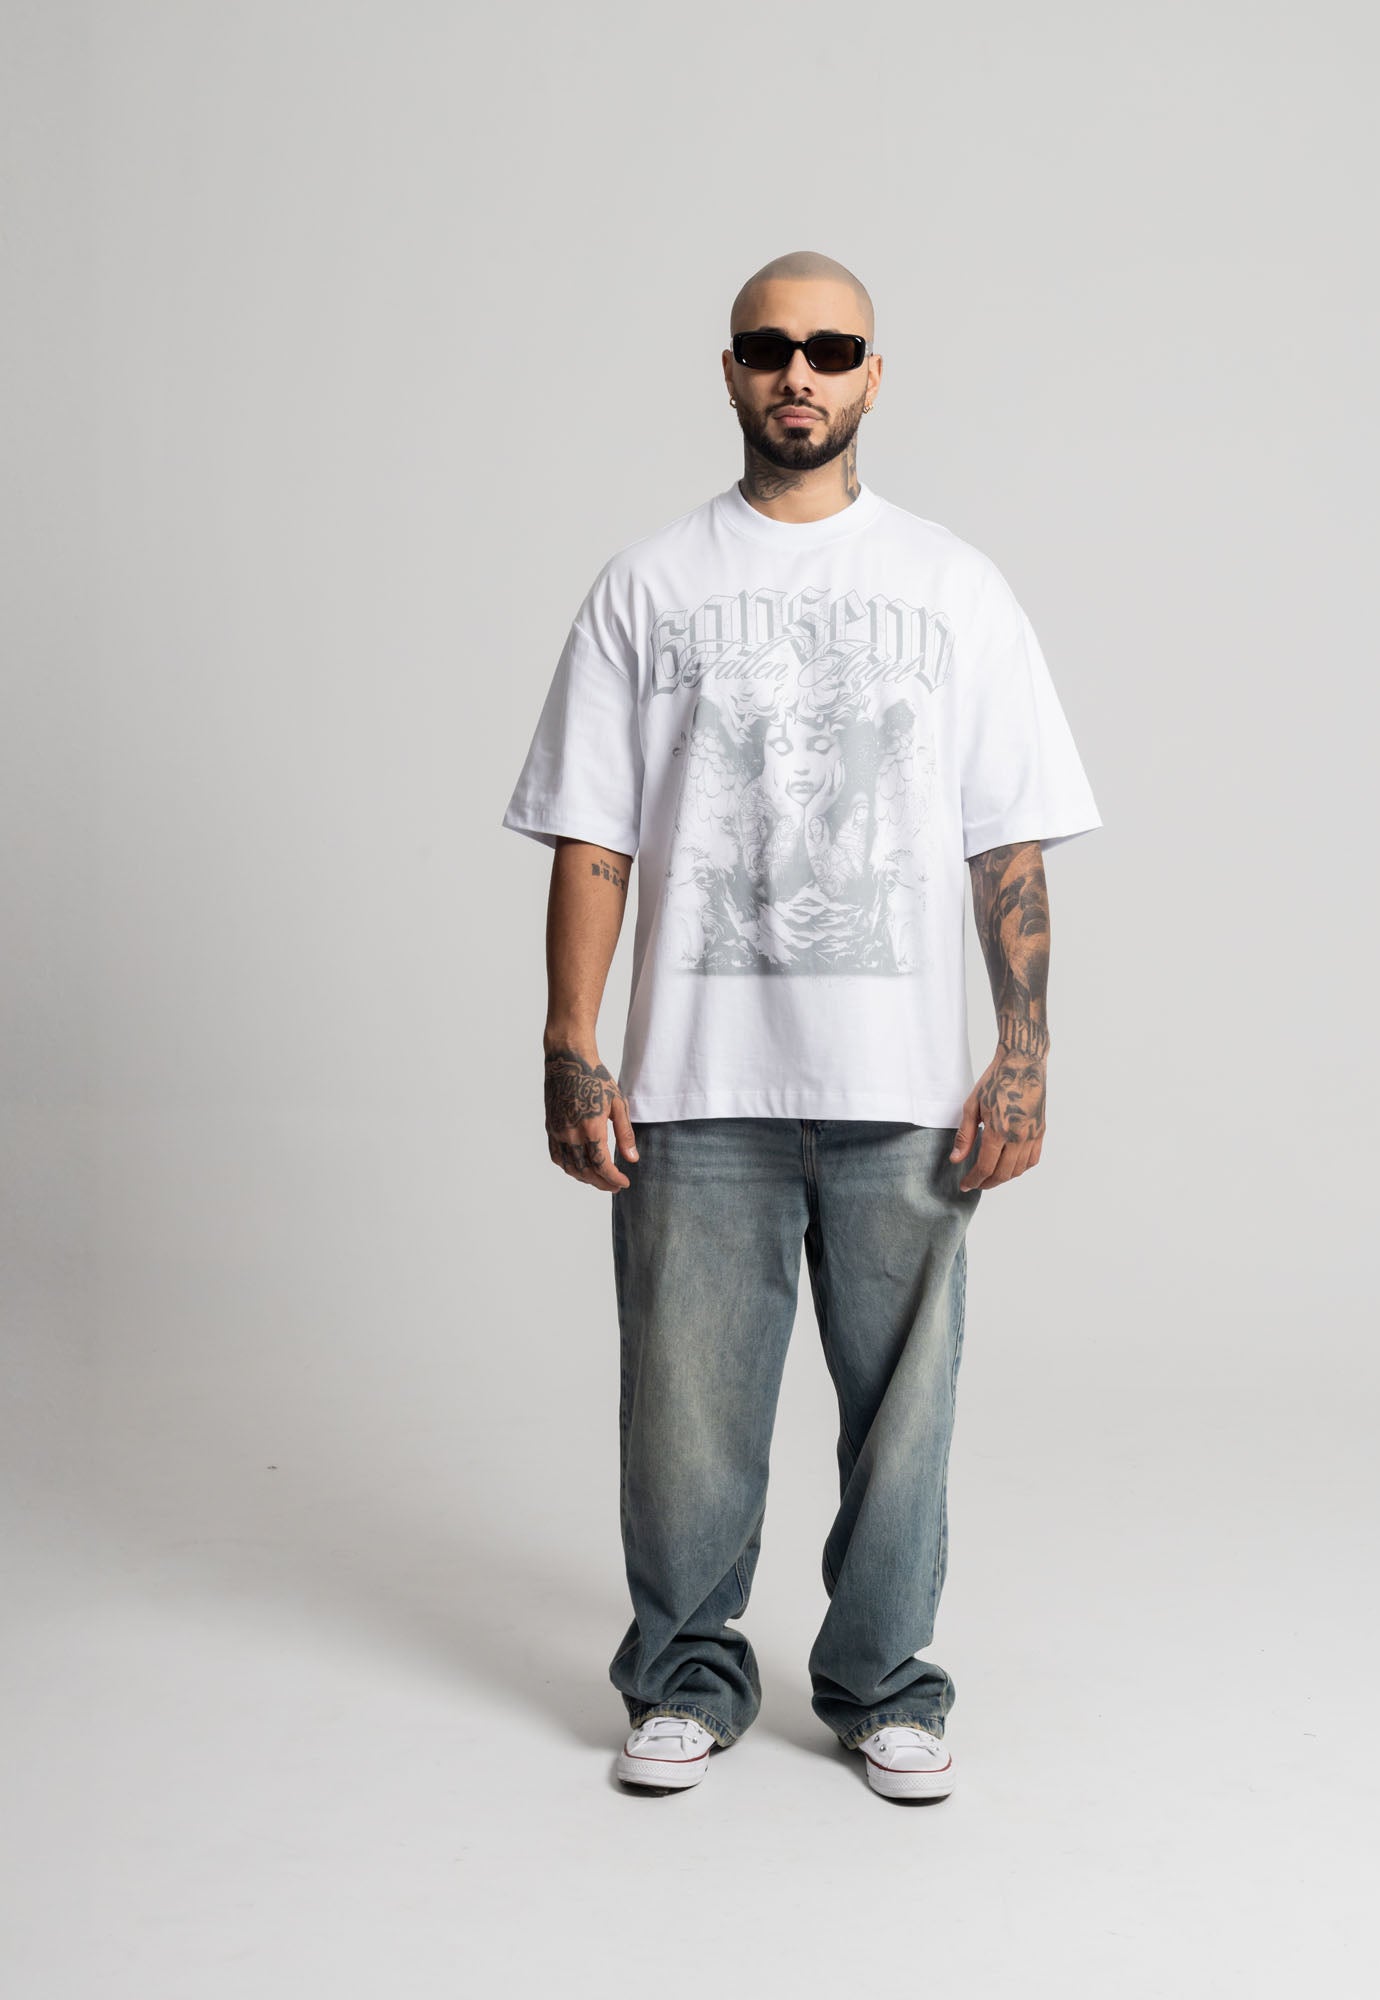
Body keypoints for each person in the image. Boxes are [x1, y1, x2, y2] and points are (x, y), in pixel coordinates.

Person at [501, 250, 1103, 1802]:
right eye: (770, 347)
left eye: (832, 350)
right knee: (684, 1416)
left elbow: (1009, 845)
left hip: (904, 1086)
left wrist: (1024, 1055)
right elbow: (592, 838)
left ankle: (884, 1684)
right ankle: (685, 1678)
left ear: (872, 377)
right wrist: (572, 1043)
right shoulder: (650, 585)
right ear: (730, 371)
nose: (800, 374)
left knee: (907, 1418)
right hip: (697, 1083)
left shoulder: (955, 588)